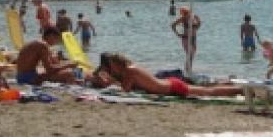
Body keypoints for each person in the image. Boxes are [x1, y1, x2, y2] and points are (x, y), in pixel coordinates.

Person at [98, 53, 242, 98]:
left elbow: (125, 90)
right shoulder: (130, 68)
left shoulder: (129, 71)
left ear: (116, 65)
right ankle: (233, 86)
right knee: (206, 89)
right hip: (169, 84)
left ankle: (240, 89)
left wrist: (110, 81)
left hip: (171, 87)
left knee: (209, 92)